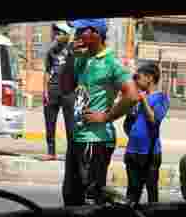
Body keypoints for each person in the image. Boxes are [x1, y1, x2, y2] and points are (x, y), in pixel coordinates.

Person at [59, 18, 140, 206]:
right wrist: (70, 57)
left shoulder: (111, 63)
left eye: (81, 30)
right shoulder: (82, 59)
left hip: (96, 139)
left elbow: (132, 95)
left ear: (96, 33)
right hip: (79, 137)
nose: (77, 35)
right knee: (70, 194)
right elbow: (65, 88)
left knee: (90, 196)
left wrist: (106, 116)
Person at [124, 61, 169, 204]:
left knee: (151, 191)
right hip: (132, 151)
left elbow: (154, 120)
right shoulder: (136, 98)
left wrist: (143, 101)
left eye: (139, 77)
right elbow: (128, 123)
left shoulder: (161, 98)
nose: (135, 80)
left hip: (149, 154)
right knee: (132, 192)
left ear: (149, 78)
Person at [43, 22, 77, 161]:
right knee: (49, 123)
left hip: (69, 92)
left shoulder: (74, 50)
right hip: (53, 90)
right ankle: (51, 152)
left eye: (60, 33)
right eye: (56, 32)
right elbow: (46, 71)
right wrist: (45, 90)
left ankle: (71, 153)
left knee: (70, 124)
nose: (57, 35)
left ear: (68, 35)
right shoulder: (51, 51)